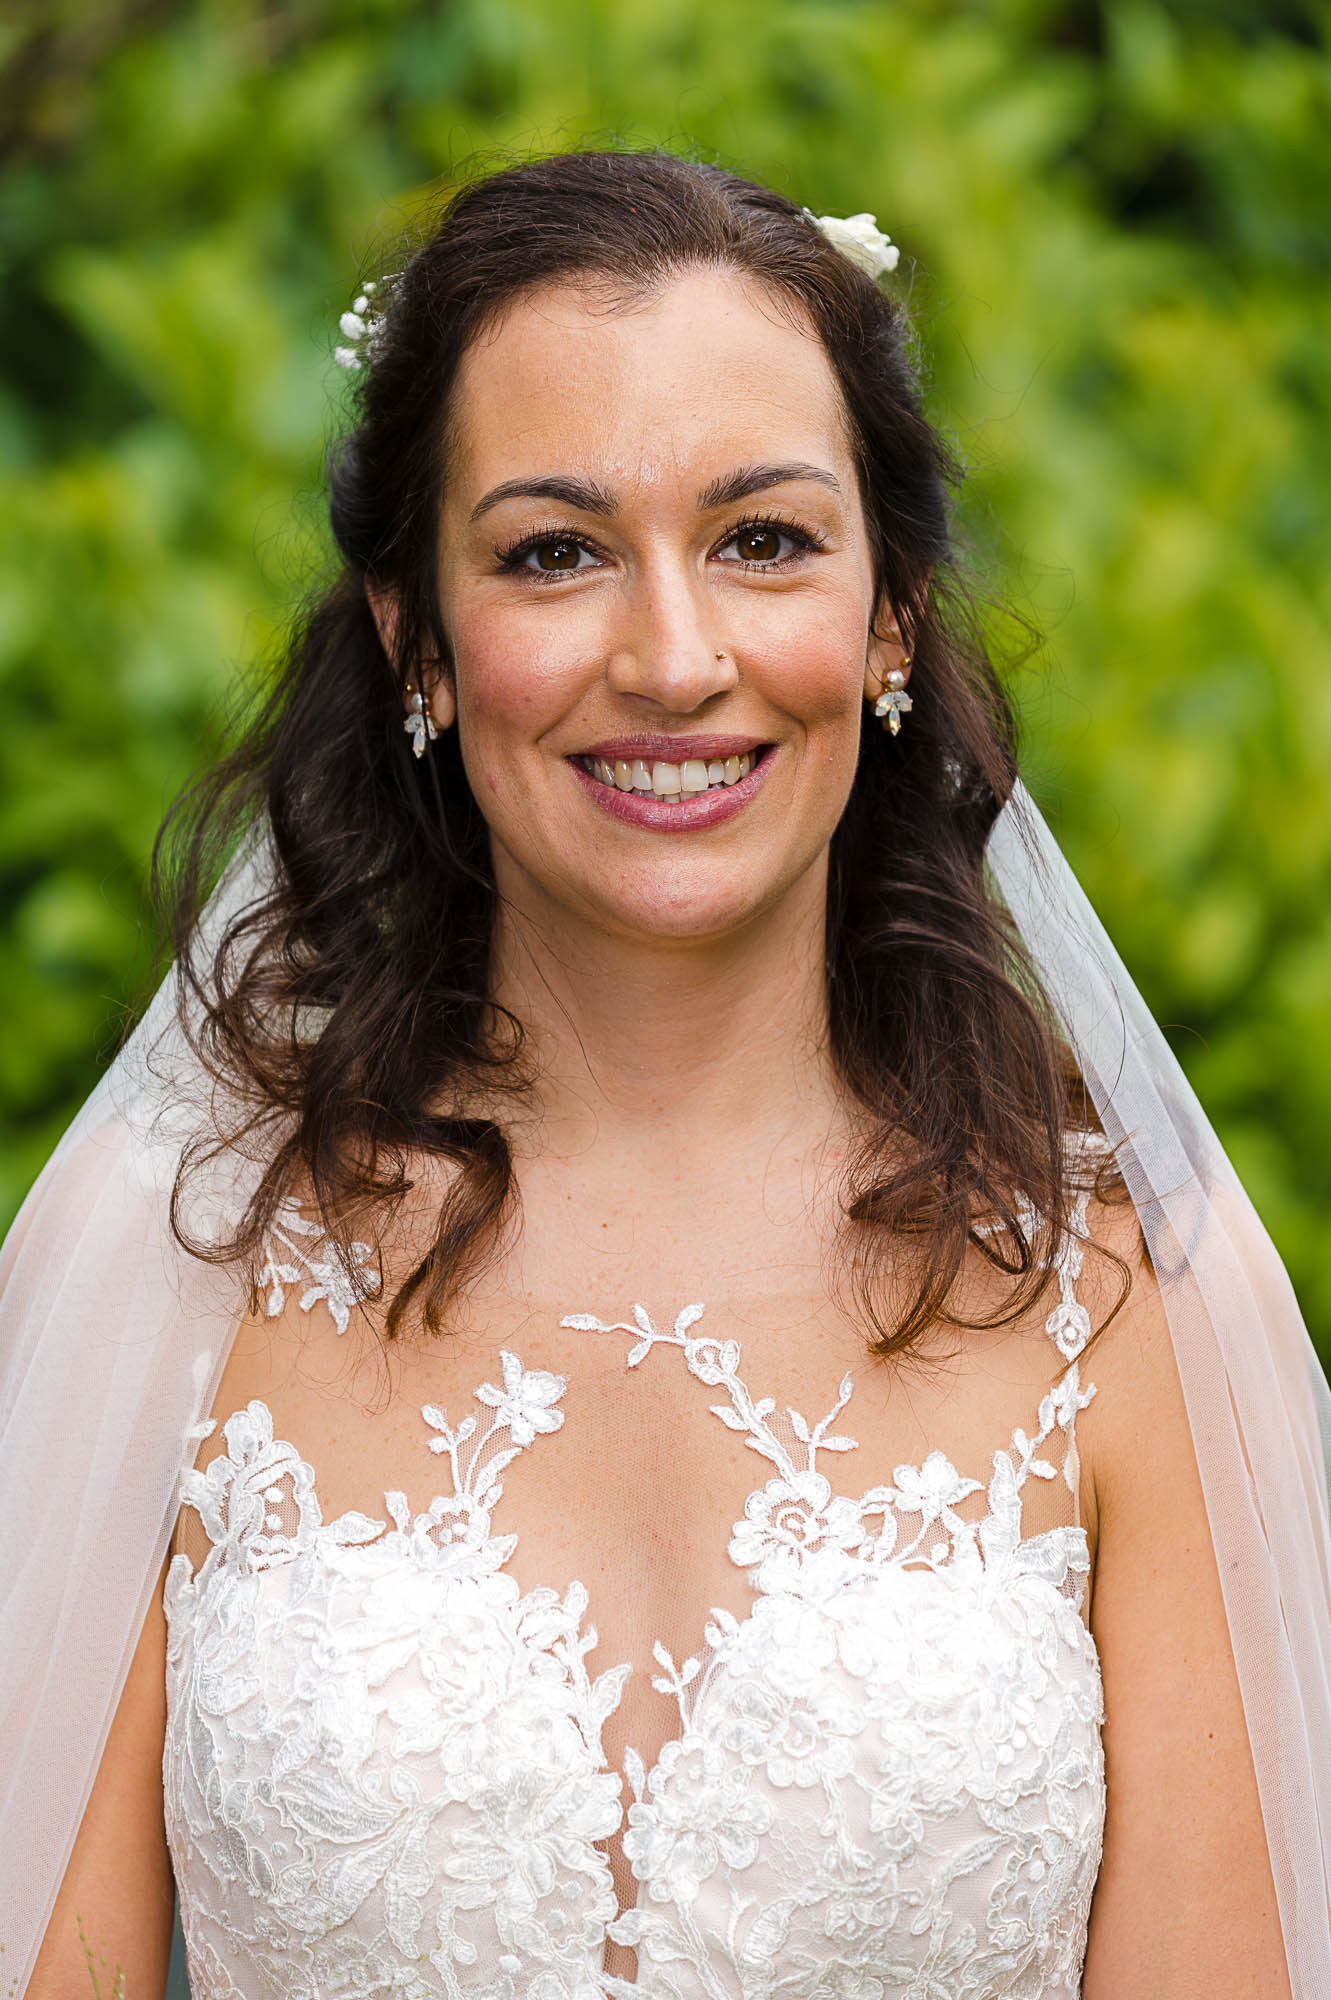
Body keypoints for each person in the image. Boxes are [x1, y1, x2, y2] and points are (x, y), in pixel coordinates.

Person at [5, 149, 1329, 2000]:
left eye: (764, 540)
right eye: (554, 552)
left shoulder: (1135, 1304)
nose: (674, 655)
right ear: (419, 644)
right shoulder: (176, 1260)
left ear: (888, 620)